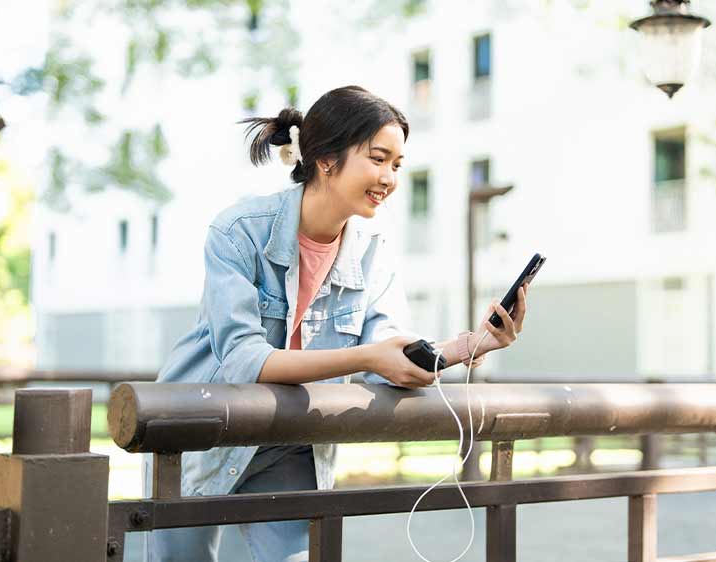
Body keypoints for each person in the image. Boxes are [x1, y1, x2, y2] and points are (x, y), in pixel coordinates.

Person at [144, 85, 528, 562]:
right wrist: (369, 355)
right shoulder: (238, 230)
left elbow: (387, 355)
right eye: (378, 158)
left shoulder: (373, 246)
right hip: (197, 433)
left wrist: (473, 344)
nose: (389, 177)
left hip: (289, 441)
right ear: (326, 160)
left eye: (397, 165)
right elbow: (245, 360)